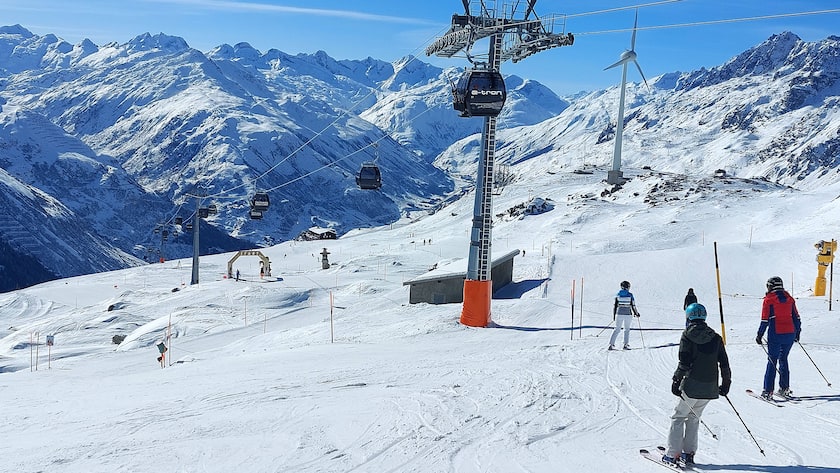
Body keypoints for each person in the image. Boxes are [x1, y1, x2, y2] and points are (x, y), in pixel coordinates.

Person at [663, 303, 731, 467]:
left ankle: (672, 454)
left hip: (692, 385)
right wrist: (726, 383)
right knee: (694, 417)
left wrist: (676, 380)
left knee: (679, 417)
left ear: (689, 316)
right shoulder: (715, 337)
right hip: (710, 387)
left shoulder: (687, 335)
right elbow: (724, 363)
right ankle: (689, 453)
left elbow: (684, 361)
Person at [756, 276, 801, 400]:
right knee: (783, 358)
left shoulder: (769, 300)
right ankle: (784, 388)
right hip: (790, 333)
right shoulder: (789, 299)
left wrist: (759, 335)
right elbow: (796, 317)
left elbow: (765, 320)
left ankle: (768, 391)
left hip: (776, 333)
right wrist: (797, 333)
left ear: (771, 286)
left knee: (772, 360)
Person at [609, 280, 640, 350]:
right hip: (628, 314)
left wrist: (614, 316)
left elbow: (615, 306)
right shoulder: (630, 295)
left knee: (617, 329)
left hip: (618, 314)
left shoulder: (618, 295)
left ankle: (611, 344)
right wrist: (636, 313)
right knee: (626, 329)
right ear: (628, 287)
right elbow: (633, 306)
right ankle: (625, 345)